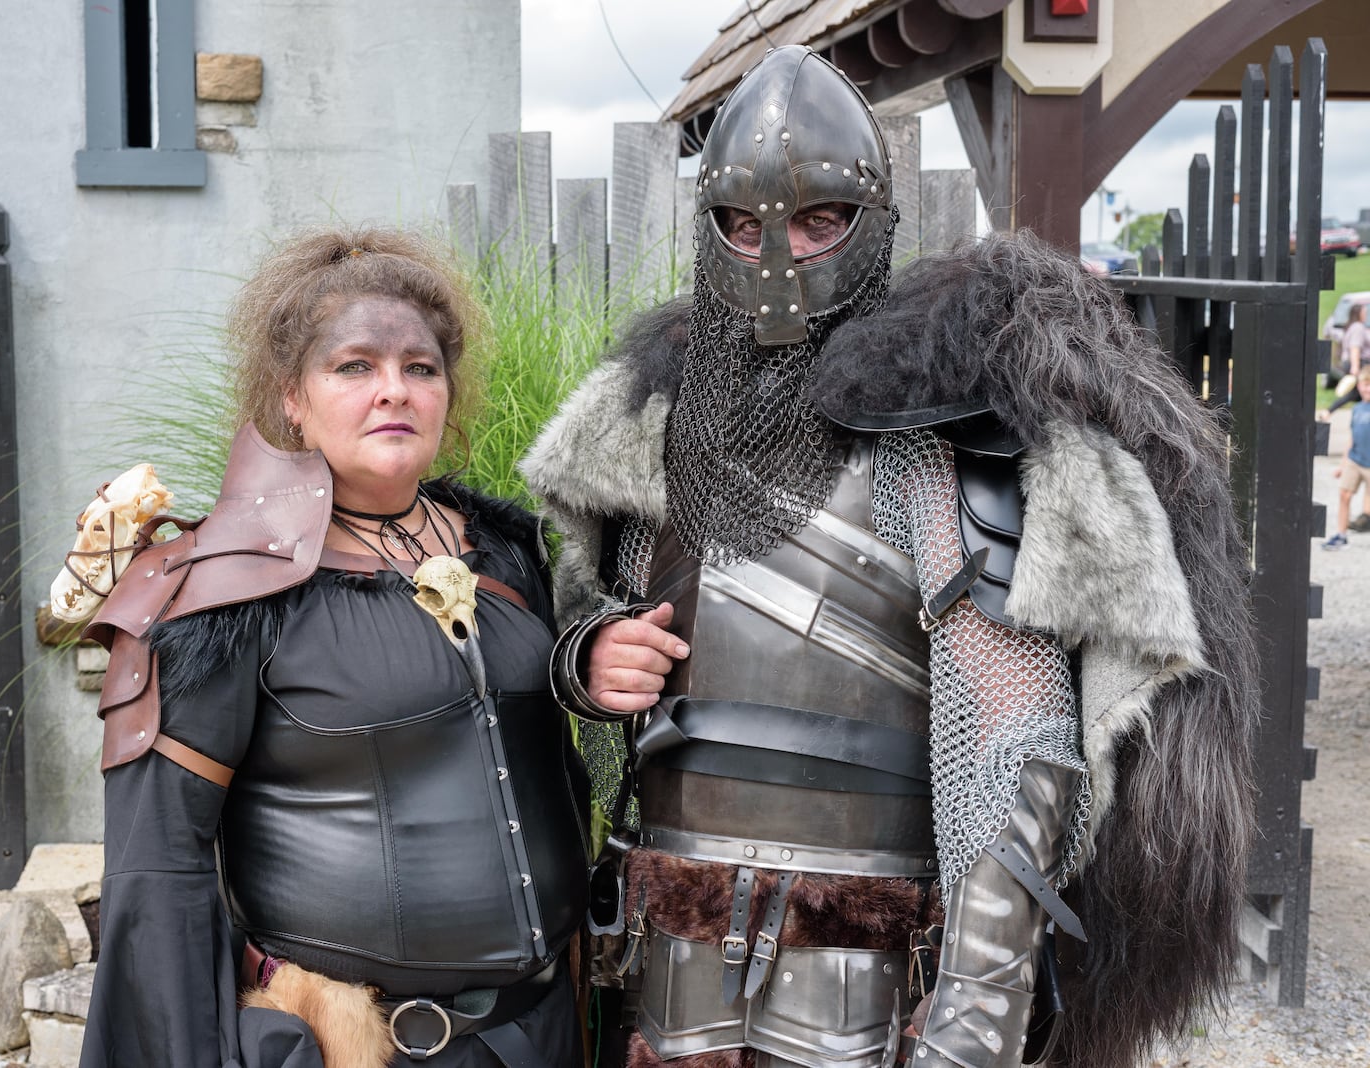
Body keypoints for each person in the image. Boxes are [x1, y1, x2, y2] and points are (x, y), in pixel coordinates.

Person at [523, 45, 1256, 1068]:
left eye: (819, 221)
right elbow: (579, 620)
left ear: (875, 227)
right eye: (744, 223)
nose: (778, 256)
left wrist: (970, 1025)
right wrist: (589, 654)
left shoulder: (938, 438)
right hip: (666, 953)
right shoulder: (655, 424)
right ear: (710, 228)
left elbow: (1010, 752)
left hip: (866, 976)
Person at [77, 228, 589, 1068]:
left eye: (420, 368)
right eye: (354, 367)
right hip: (359, 1047)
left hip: (544, 1031)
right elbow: (160, 870)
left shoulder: (508, 550)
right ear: (292, 398)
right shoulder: (221, 589)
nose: (394, 390)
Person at [1323, 365, 1370, 549]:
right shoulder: (1357, 409)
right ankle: (1341, 535)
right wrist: (1342, 464)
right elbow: (1352, 438)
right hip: (1355, 459)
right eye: (1364, 385)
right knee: (1344, 494)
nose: (1367, 389)